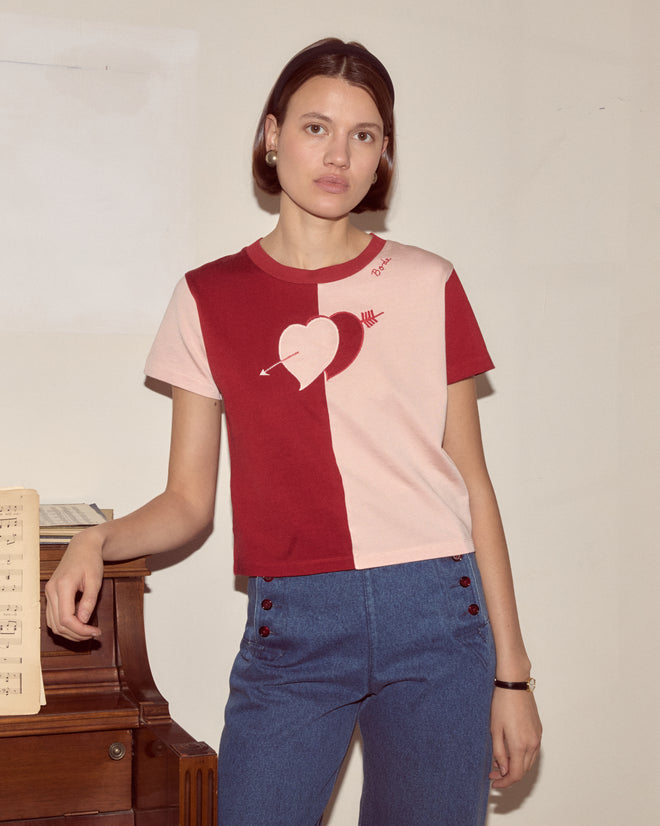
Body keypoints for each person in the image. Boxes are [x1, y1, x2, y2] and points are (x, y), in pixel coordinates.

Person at [45, 38, 542, 825]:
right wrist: (94, 542)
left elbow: (472, 484)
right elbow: (187, 501)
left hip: (438, 619)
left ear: (384, 156)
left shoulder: (428, 282)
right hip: (295, 627)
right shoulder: (208, 297)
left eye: (364, 135)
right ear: (272, 136)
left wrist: (511, 678)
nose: (338, 154)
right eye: (316, 128)